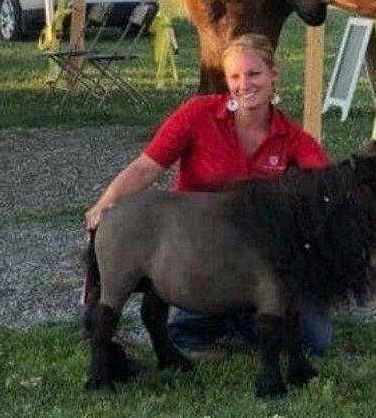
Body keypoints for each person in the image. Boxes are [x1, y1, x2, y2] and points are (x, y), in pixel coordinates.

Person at [84, 32, 333, 353]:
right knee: (185, 335)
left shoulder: (294, 139)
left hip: (259, 258)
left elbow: (326, 190)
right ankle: (236, 313)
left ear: (274, 74)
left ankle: (247, 310)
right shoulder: (196, 114)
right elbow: (147, 167)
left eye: (255, 73)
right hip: (198, 251)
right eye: (235, 76)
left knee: (314, 341)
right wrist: (105, 203)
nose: (245, 84)